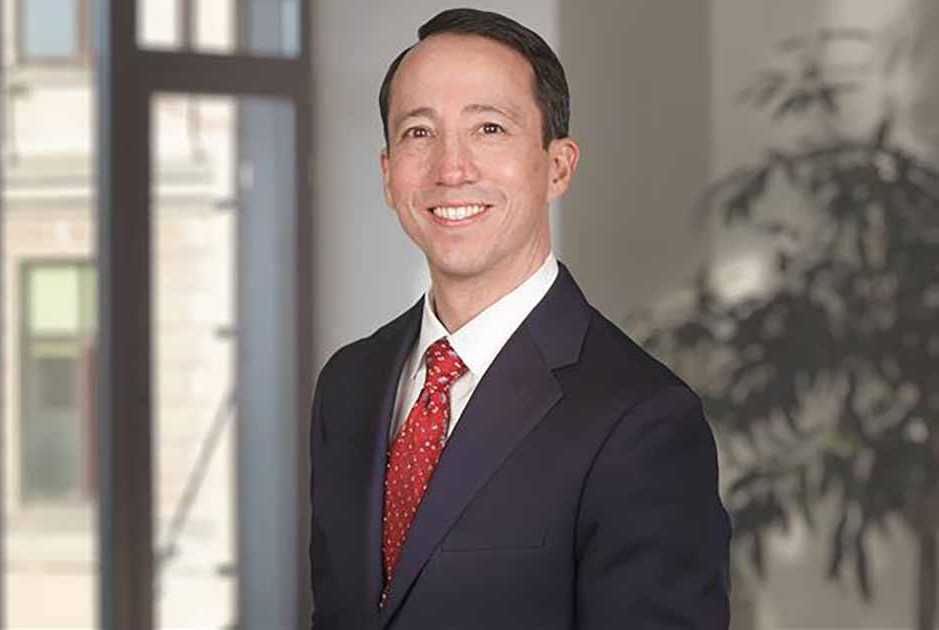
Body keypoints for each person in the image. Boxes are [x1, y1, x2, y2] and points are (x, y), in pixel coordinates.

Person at [308, 8, 731, 629]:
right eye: (419, 133)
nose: (451, 169)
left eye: (489, 129)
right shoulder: (349, 384)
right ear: (388, 173)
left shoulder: (643, 420)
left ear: (558, 166)